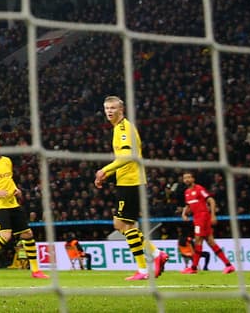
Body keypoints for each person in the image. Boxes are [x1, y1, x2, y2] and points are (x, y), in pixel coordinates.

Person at [94, 95, 167, 281]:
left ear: (121, 110)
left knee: (122, 225)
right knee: (125, 225)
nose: (109, 111)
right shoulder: (119, 128)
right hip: (127, 181)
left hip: (131, 182)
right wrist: (108, 174)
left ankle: (153, 257)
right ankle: (145, 266)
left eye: (113, 108)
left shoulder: (124, 129)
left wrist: (104, 170)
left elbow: (127, 157)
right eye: (106, 108)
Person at [0, 133, 49, 280]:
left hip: (12, 203)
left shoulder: (7, 161)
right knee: (5, 236)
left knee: (28, 234)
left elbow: (9, 179)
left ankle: (36, 270)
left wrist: (15, 189)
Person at [180, 171, 234, 274]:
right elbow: (188, 206)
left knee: (198, 241)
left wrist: (213, 215)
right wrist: (184, 214)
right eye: (185, 178)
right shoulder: (187, 192)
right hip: (197, 217)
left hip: (203, 216)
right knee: (210, 242)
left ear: (193, 179)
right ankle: (228, 265)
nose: (186, 180)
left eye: (188, 177)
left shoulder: (199, 189)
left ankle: (194, 268)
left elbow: (211, 200)